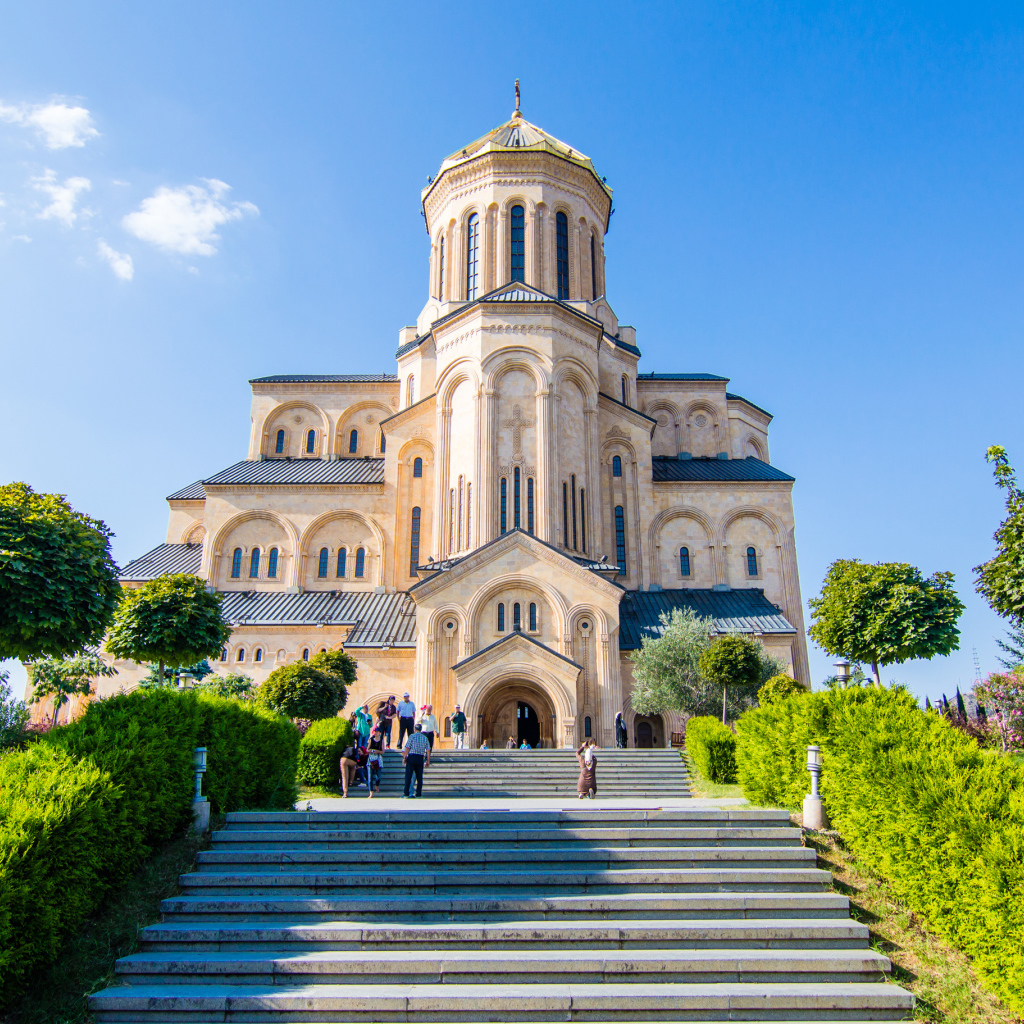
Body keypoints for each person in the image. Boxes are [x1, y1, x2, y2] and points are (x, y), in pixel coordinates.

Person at [402, 722, 431, 798]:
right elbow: (428, 750)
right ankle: (418, 793)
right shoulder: (425, 738)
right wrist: (428, 760)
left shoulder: (412, 736)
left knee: (408, 776)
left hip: (412, 757)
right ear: (421, 730)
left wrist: (405, 757)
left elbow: (407, 747)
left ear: (415, 729)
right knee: (419, 777)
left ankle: (406, 793)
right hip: (420, 758)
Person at [366, 725, 385, 798]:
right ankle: (371, 792)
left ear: (380, 733)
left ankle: (376, 785)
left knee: (378, 777)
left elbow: (383, 751)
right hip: (371, 759)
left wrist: (377, 751)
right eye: (375, 732)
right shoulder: (371, 739)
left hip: (378, 758)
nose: (376, 733)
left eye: (377, 732)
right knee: (370, 777)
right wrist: (370, 751)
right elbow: (367, 749)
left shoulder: (381, 740)